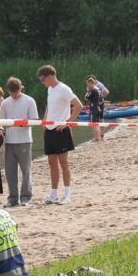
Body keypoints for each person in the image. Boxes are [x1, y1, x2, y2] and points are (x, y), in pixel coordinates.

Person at [37, 64, 83, 205]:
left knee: (63, 162)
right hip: (50, 130)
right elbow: (49, 106)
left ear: (50, 76)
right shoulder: (50, 90)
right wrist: (44, 121)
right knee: (52, 163)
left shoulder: (64, 88)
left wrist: (68, 122)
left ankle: (67, 195)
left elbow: (78, 105)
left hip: (61, 130)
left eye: (42, 79)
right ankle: (53, 194)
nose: (42, 82)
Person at [0, 77, 38, 207]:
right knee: (10, 171)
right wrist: (1, 129)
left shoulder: (29, 100)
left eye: (16, 91)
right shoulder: (5, 102)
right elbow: (1, 121)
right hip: (9, 141)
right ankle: (12, 197)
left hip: (25, 140)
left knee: (25, 170)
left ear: (21, 88)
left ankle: (26, 196)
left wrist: (21, 123)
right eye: (11, 92)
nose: (14, 95)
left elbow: (34, 120)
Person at [85, 77, 105, 142]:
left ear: (91, 83)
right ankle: (99, 137)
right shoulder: (98, 90)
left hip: (94, 109)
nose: (87, 86)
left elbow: (86, 97)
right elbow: (101, 99)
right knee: (97, 124)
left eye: (88, 84)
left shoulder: (93, 90)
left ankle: (96, 138)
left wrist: (88, 91)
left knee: (93, 124)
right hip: (98, 108)